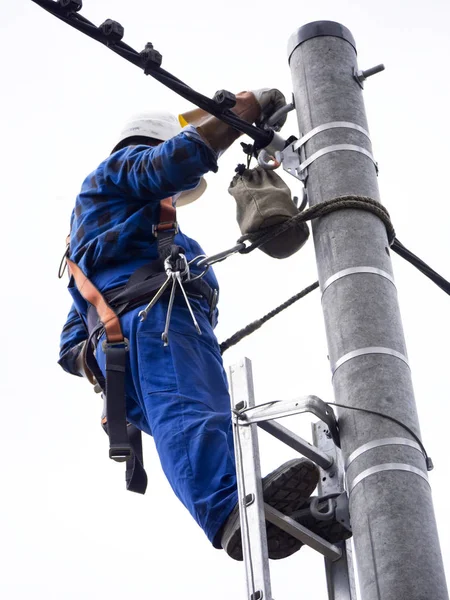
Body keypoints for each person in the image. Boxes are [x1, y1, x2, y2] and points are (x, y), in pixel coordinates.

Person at [58, 89, 323, 560]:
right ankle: (229, 510)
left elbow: (70, 345)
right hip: (156, 322)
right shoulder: (119, 171)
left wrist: (109, 359)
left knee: (202, 421)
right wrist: (239, 115)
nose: (178, 196)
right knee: (191, 415)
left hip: (135, 341)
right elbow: (170, 163)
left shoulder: (98, 233)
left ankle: (249, 506)